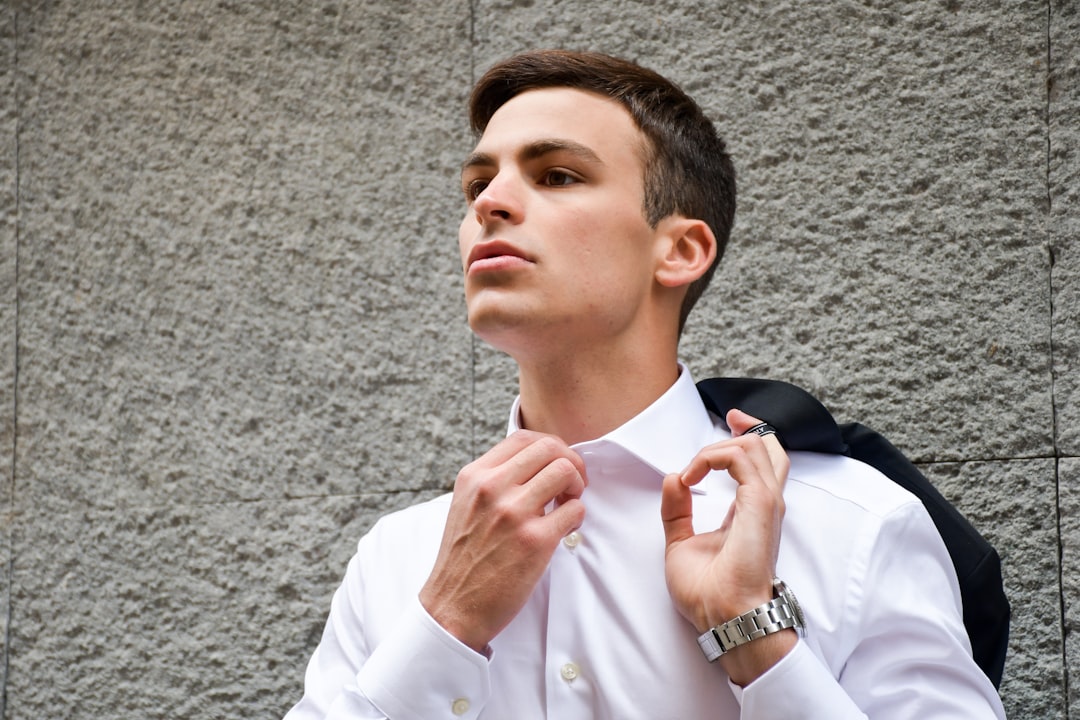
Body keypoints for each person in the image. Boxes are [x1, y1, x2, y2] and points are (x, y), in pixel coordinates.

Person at [285, 50, 1007, 719]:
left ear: (681, 250)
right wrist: (445, 622)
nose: (489, 204)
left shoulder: (854, 523)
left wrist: (755, 638)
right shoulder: (400, 556)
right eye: (478, 182)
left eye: (557, 175)